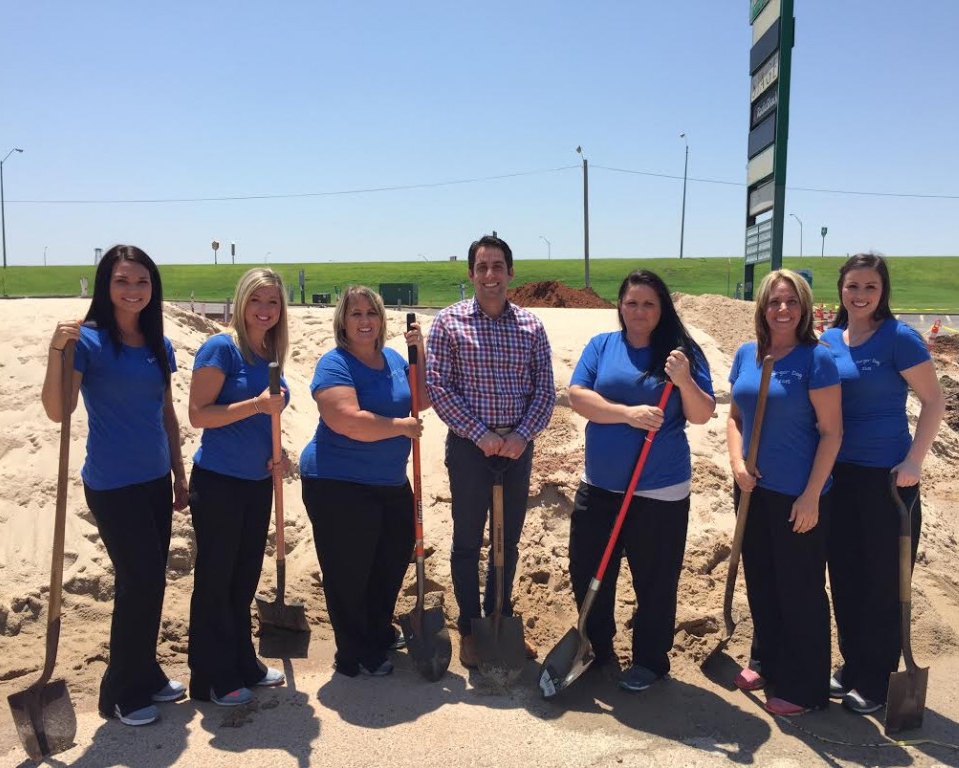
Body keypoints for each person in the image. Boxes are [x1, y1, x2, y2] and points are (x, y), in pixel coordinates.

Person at [41, 245, 188, 727]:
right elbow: (58, 410)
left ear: (153, 288)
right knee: (138, 582)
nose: (132, 291)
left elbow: (166, 416)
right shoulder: (88, 341)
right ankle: (119, 692)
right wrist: (55, 351)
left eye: (141, 282)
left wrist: (179, 475)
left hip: (154, 480)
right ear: (107, 285)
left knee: (151, 581)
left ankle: (144, 672)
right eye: (123, 281)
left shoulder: (157, 343)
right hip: (112, 484)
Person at [568, 270, 716, 692]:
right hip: (599, 486)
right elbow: (579, 397)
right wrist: (628, 414)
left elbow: (702, 413)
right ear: (620, 306)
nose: (639, 311)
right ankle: (598, 649)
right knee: (589, 570)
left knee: (654, 578)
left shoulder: (681, 353)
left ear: (662, 309)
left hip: (660, 491)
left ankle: (651, 660)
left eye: (648, 304)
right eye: (631, 303)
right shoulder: (602, 346)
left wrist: (684, 380)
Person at [821, 253, 944, 714]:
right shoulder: (829, 340)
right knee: (846, 576)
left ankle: (876, 677)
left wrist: (914, 460)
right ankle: (853, 665)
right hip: (839, 477)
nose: (860, 295)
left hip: (890, 481)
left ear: (882, 291)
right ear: (841, 290)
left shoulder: (900, 339)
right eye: (853, 286)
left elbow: (933, 402)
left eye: (870, 287)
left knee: (884, 581)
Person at [426, 234, 555, 668]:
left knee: (508, 541)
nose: (490, 275)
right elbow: (439, 387)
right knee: (467, 542)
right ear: (470, 273)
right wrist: (479, 433)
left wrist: (521, 436)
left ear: (511, 273)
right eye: (481, 267)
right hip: (468, 448)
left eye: (498, 266)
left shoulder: (532, 327)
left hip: (517, 449)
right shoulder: (449, 322)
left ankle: (500, 616)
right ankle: (469, 626)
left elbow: (544, 390)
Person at [726, 269, 842, 716]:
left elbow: (832, 433)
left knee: (801, 590)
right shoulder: (746, 354)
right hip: (753, 491)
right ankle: (767, 661)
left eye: (791, 302)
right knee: (763, 582)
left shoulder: (817, 359)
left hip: (800, 495)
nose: (782, 309)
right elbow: (736, 418)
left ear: (805, 307)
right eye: (774, 301)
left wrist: (812, 495)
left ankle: (805, 686)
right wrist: (737, 465)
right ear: (762, 306)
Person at [300, 285, 427, 677]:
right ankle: (354, 652)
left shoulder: (393, 358)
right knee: (350, 569)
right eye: (355, 314)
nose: (364, 321)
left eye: (370, 312)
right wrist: (400, 427)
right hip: (338, 481)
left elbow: (419, 401)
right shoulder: (334, 364)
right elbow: (348, 422)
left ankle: (377, 630)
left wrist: (418, 353)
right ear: (343, 321)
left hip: (389, 480)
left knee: (390, 559)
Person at [186, 268, 290, 706]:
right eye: (256, 301)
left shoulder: (268, 350)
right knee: (216, 580)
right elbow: (199, 414)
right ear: (241, 302)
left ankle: (241, 661)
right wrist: (255, 405)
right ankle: (210, 677)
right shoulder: (221, 348)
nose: (264, 310)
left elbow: (269, 417)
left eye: (272, 302)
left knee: (244, 577)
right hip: (219, 483)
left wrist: (277, 455)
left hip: (255, 481)